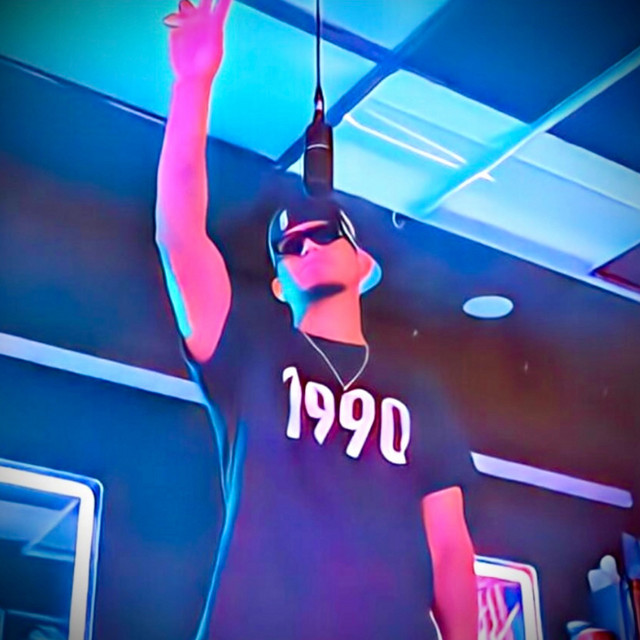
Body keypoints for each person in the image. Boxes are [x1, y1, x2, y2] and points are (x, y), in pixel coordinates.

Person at [155, 1, 479, 638]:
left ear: (365, 265)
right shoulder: (249, 351)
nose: (305, 245)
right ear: (278, 285)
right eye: (289, 245)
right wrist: (193, 83)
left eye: (325, 233)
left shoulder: (417, 392)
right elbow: (180, 236)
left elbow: (450, 547)